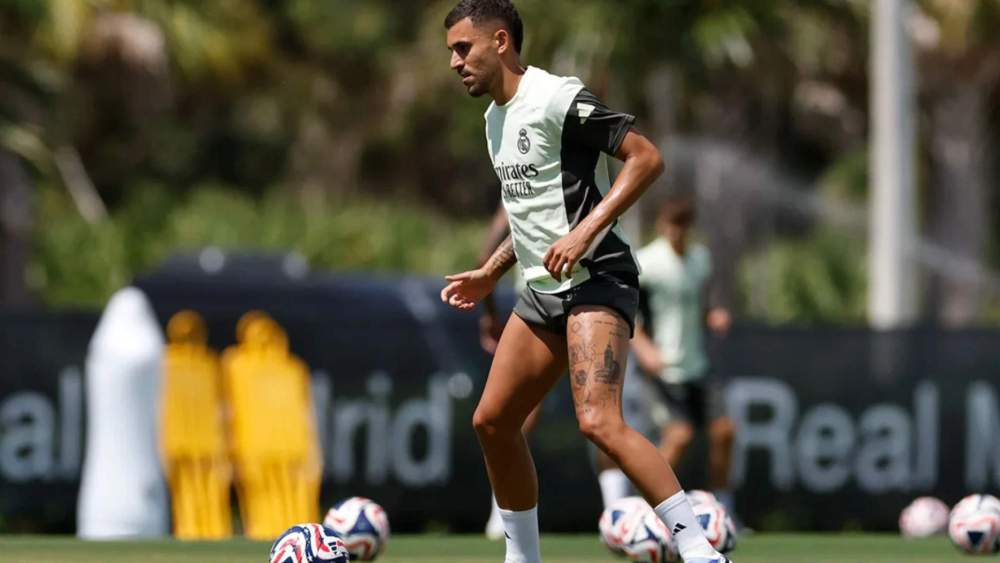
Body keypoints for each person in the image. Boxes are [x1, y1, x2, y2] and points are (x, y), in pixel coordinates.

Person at [440, 2, 733, 562]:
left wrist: (586, 233)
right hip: (543, 292)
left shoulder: (555, 97)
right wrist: (489, 273)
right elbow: (534, 217)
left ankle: (701, 552)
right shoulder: (493, 119)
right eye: (451, 52)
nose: (454, 62)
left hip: (599, 278)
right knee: (492, 422)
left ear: (500, 42)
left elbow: (646, 159)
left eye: (462, 48)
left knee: (598, 420)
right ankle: (523, 558)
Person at [630, 195, 738, 515]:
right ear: (661, 226)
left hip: (696, 366)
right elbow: (628, 313)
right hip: (662, 370)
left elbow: (701, 304)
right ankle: (649, 512)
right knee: (679, 437)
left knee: (725, 432)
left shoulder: (699, 260)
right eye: (671, 225)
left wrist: (713, 315)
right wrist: (644, 348)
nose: (677, 232)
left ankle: (723, 510)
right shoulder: (647, 262)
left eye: (683, 225)